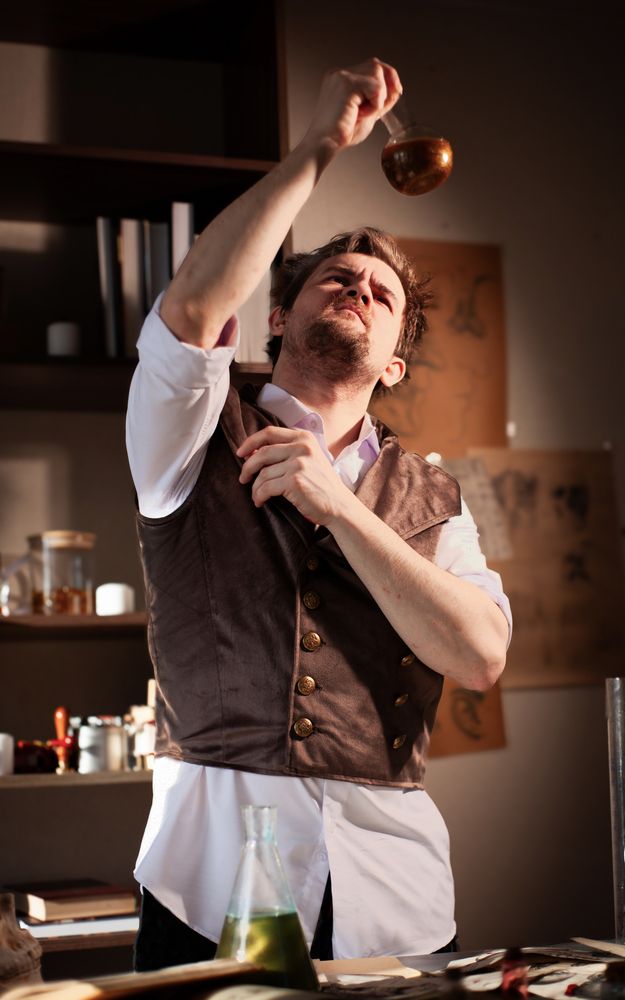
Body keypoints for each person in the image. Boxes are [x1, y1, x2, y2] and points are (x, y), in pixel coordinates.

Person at [126, 57, 511, 971]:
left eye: (381, 295)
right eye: (334, 279)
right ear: (277, 317)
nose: (358, 292)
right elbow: (190, 309)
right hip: (205, 882)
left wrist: (337, 505)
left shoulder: (434, 498)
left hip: (396, 898)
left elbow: (478, 656)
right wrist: (318, 146)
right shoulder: (189, 431)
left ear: (394, 364)